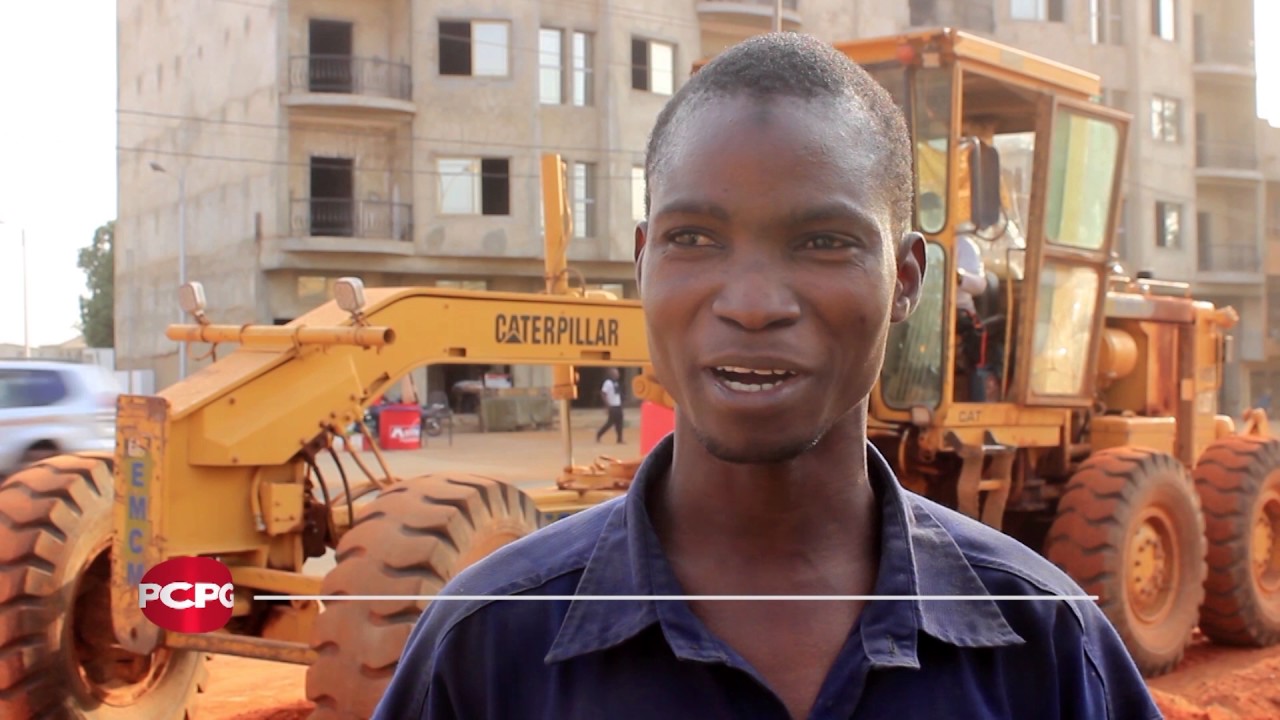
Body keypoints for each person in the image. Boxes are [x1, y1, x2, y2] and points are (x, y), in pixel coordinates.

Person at [372, 33, 1163, 720]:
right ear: (643, 261)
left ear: (909, 279)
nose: (752, 305)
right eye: (695, 238)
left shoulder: (1050, 647)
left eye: (823, 242)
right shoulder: (480, 650)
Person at [595, 368, 624, 443]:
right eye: (616, 373)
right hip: (612, 406)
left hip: (618, 405)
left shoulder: (616, 383)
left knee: (619, 422)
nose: (618, 374)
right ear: (612, 374)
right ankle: (599, 434)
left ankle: (619, 439)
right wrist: (607, 405)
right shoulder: (608, 383)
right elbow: (603, 393)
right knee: (610, 423)